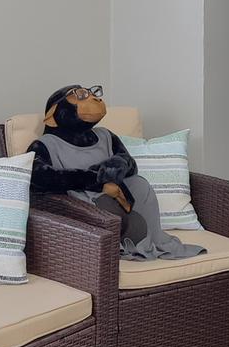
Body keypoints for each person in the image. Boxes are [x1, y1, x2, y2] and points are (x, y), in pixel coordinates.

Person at [28, 85, 202, 262]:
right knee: (98, 202)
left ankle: (148, 237)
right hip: (83, 202)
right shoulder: (45, 145)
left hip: (119, 196)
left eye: (91, 92)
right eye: (80, 95)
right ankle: (117, 240)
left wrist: (115, 165)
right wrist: (97, 181)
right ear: (52, 116)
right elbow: (39, 178)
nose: (94, 98)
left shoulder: (105, 136)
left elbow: (129, 163)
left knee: (140, 184)